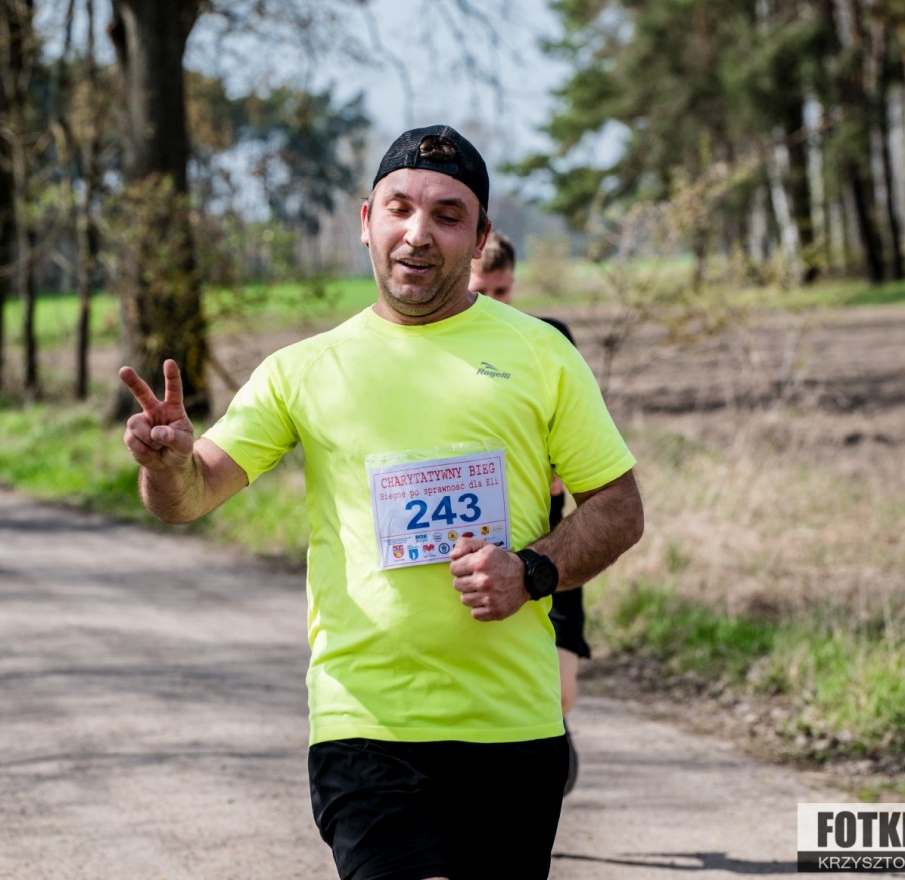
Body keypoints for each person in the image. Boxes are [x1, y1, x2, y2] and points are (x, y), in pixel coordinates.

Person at [119, 125, 643, 880]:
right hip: (364, 725)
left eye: (448, 215)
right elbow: (189, 496)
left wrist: (531, 571)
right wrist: (168, 466)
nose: (418, 233)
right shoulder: (304, 370)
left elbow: (619, 507)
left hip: (513, 728)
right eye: (400, 208)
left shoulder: (541, 354)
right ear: (366, 221)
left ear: (481, 238)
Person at [469, 230, 592, 796]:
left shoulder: (548, 339)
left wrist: (564, 466)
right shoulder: (446, 350)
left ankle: (551, 749)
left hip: (551, 549)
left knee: (561, 692)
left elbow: (582, 429)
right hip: (482, 550)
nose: (495, 301)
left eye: (504, 290)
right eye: (483, 290)